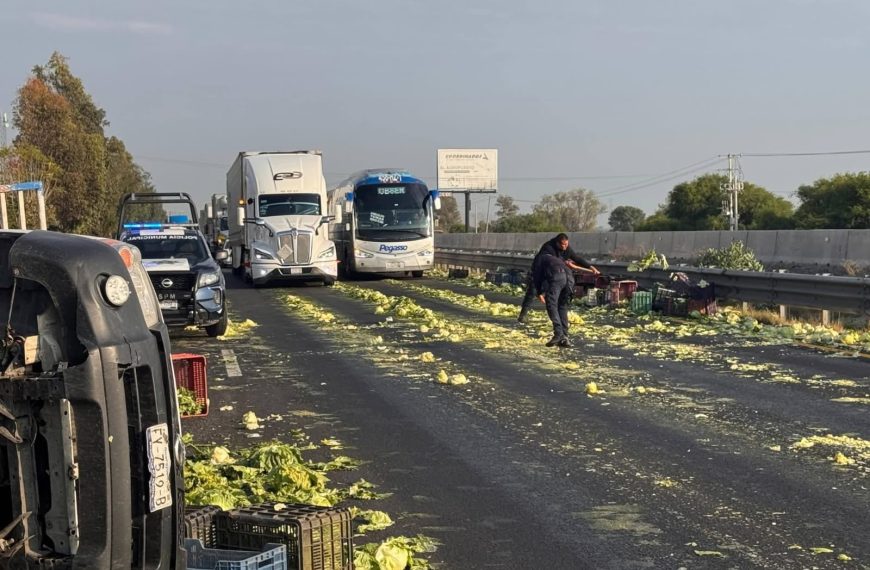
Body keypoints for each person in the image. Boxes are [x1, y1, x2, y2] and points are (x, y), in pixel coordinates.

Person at [517, 233, 600, 323]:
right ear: (557, 243)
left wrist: (591, 268)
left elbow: (577, 258)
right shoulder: (548, 248)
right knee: (533, 290)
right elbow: (547, 262)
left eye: (566, 244)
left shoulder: (566, 248)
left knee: (556, 294)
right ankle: (523, 315)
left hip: (555, 273)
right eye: (562, 245)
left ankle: (558, 317)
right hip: (541, 269)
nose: (564, 247)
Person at [533, 253, 575, 347]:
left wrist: (539, 292)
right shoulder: (556, 259)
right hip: (570, 280)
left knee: (551, 304)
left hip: (558, 277)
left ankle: (558, 333)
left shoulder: (540, 259)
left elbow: (537, 277)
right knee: (562, 307)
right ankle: (565, 337)